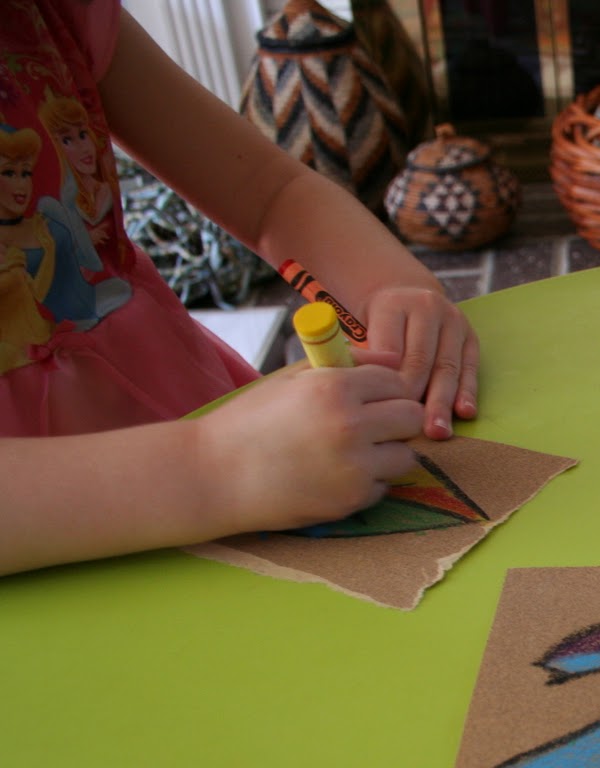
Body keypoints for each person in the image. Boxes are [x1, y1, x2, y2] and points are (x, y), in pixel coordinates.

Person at [0, 0, 479, 575]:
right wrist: (210, 469)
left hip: (200, 415)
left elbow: (268, 192)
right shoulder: (217, 466)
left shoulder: (52, 14)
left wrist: (390, 286)